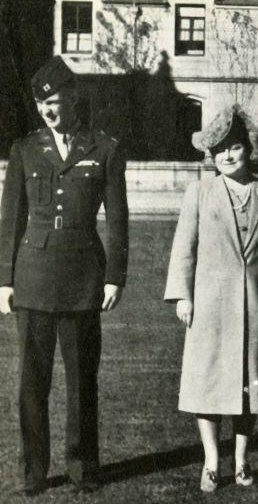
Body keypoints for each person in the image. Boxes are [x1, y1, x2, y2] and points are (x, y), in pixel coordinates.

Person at [0, 56, 128, 496]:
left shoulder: (105, 148)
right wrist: (4, 280)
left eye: (55, 101)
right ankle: (34, 471)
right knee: (31, 384)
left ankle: (83, 468)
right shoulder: (24, 149)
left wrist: (114, 276)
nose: (49, 111)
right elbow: (10, 220)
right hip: (33, 276)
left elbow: (118, 219)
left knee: (81, 382)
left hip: (82, 279)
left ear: (73, 98)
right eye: (43, 105)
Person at [164, 106, 258, 493]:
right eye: (221, 149)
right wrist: (182, 296)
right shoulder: (199, 192)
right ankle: (211, 462)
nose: (228, 155)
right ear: (212, 154)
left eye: (236, 147)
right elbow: (184, 249)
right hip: (209, 307)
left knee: (250, 383)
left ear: (251, 149)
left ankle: (242, 460)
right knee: (207, 383)